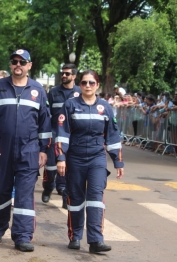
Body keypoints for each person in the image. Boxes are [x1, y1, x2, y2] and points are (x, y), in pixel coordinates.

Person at [0, 49, 51, 252]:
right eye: (14, 61)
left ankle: (22, 236)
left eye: (22, 62)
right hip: (1, 149)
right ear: (10, 65)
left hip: (29, 150)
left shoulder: (38, 90)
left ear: (30, 65)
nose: (18, 65)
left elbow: (45, 123)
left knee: (24, 194)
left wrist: (44, 150)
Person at [56, 70, 124, 253]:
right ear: (80, 84)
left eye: (91, 83)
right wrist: (61, 157)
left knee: (95, 198)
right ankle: (75, 236)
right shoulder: (70, 105)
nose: (87, 86)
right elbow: (62, 134)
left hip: (96, 159)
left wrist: (118, 162)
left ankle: (95, 241)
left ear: (97, 86)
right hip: (75, 158)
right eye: (84, 82)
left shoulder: (105, 107)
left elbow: (112, 135)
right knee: (76, 199)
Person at [41, 64, 80, 209]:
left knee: (68, 167)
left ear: (74, 76)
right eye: (62, 73)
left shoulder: (79, 92)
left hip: (71, 136)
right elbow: (46, 113)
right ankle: (48, 187)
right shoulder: (54, 92)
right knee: (51, 167)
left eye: (67, 74)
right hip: (54, 134)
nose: (64, 76)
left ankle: (64, 193)